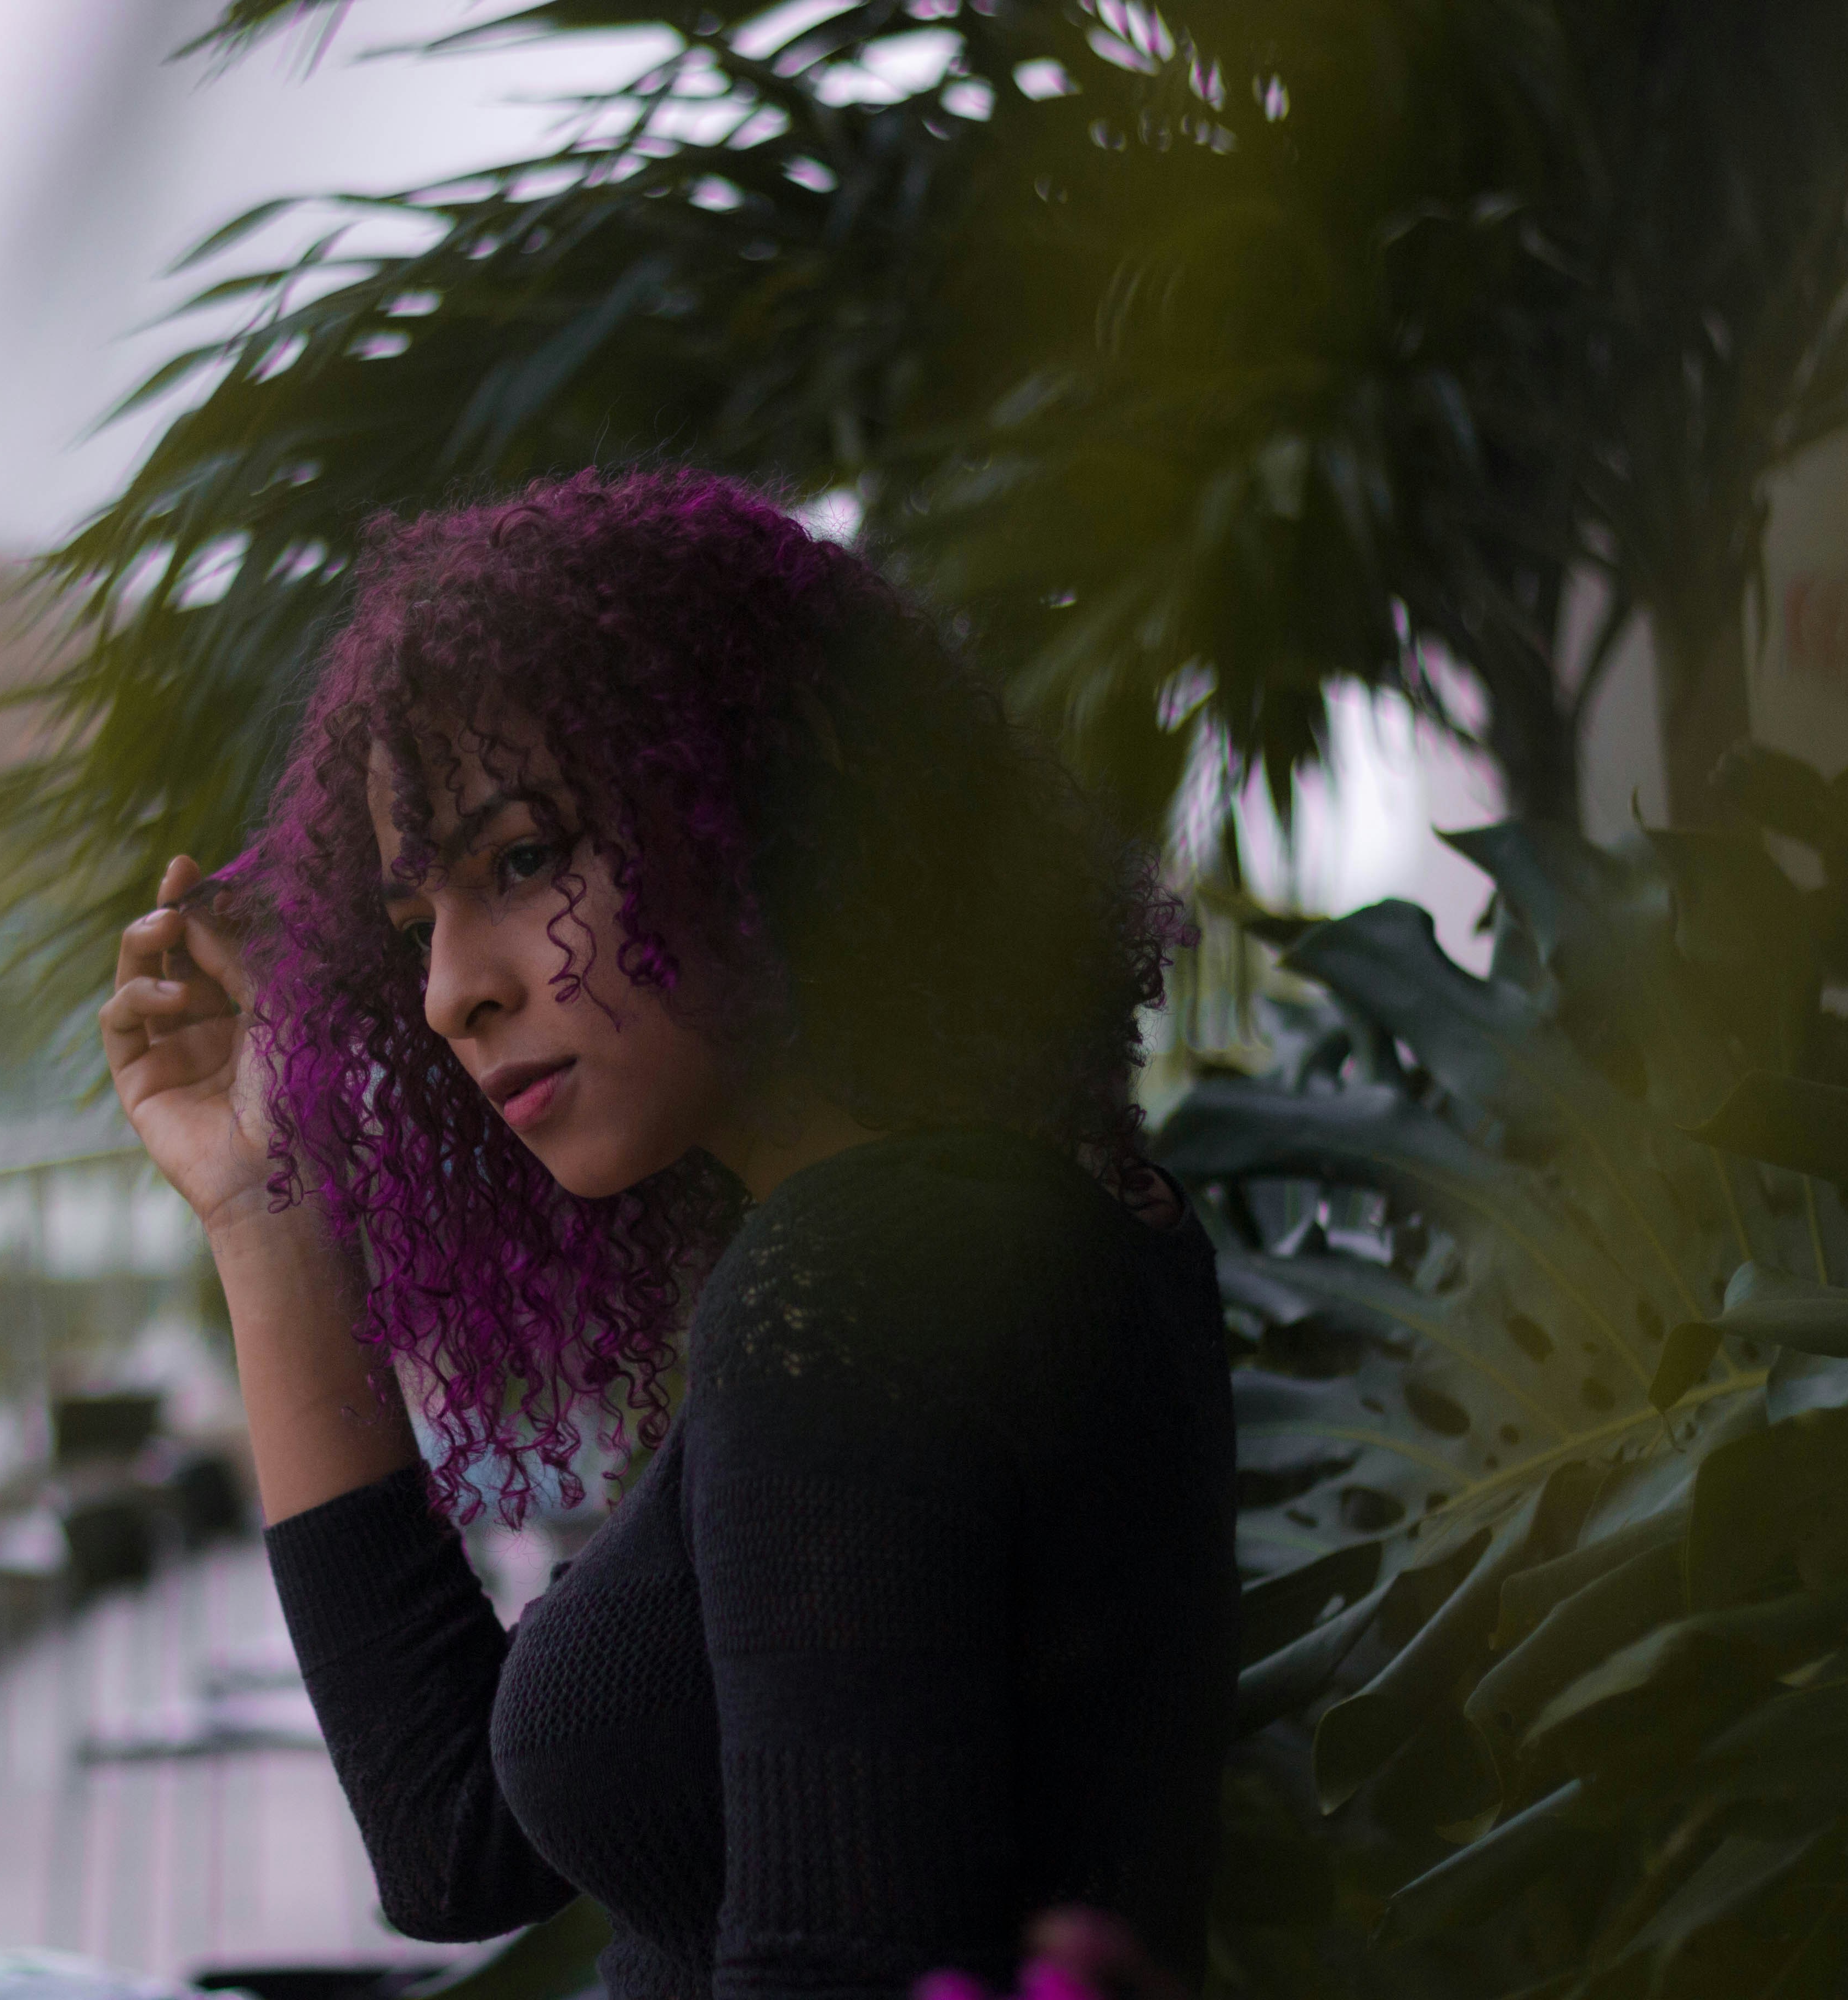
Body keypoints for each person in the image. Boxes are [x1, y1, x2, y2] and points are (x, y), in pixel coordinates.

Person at [99, 468, 1236, 2000]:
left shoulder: (853, 1291)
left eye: (523, 861)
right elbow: (454, 1840)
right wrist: (265, 1209)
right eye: (418, 923)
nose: (451, 991)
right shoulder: (987, 1230)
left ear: (767, 809)